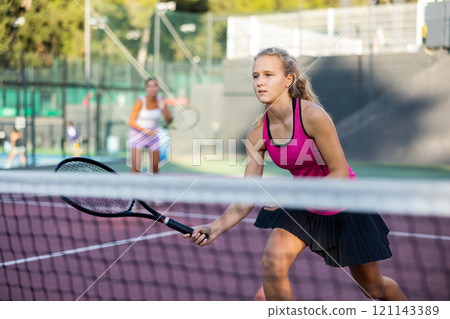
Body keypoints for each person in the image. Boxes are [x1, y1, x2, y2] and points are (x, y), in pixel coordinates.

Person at [186, 47, 407, 301]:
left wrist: (290, 195)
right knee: (272, 262)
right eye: (256, 76)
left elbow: (340, 175)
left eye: (268, 74)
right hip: (302, 206)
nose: (260, 82)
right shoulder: (257, 133)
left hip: (345, 203)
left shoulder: (313, 116)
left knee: (374, 288)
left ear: (288, 79)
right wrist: (215, 228)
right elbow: (248, 192)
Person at [128, 77, 172, 174]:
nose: (152, 89)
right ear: (146, 89)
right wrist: (145, 131)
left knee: (155, 167)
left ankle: (153, 188)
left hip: (153, 135)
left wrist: (163, 108)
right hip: (137, 134)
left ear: (158, 88)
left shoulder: (161, 100)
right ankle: (131, 188)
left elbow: (168, 120)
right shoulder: (140, 101)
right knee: (136, 167)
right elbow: (131, 121)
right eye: (149, 86)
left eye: (155, 86)